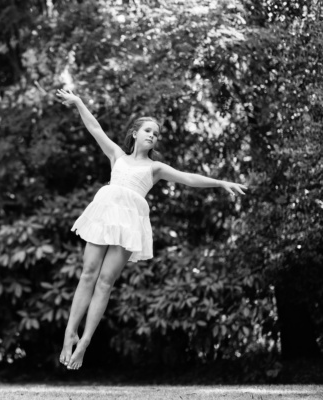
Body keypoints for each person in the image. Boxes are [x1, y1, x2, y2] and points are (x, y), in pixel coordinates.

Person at [55, 89, 247, 370]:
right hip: (106, 214)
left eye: (156, 134)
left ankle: (85, 342)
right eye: (148, 130)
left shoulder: (155, 167)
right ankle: (70, 332)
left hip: (130, 222)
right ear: (135, 133)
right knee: (88, 274)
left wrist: (220, 183)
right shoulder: (117, 155)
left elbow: (189, 179)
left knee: (105, 282)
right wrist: (79, 102)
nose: (152, 136)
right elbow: (94, 128)